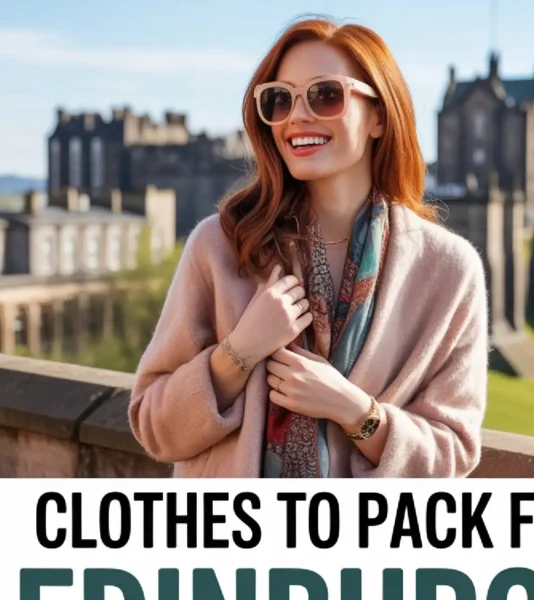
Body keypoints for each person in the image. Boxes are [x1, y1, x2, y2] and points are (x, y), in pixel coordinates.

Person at [129, 17, 488, 478]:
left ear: (379, 114)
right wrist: (237, 354)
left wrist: (356, 411)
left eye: (326, 95)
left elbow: (453, 452)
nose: (297, 116)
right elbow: (153, 427)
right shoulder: (219, 246)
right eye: (280, 99)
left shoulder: (448, 272)